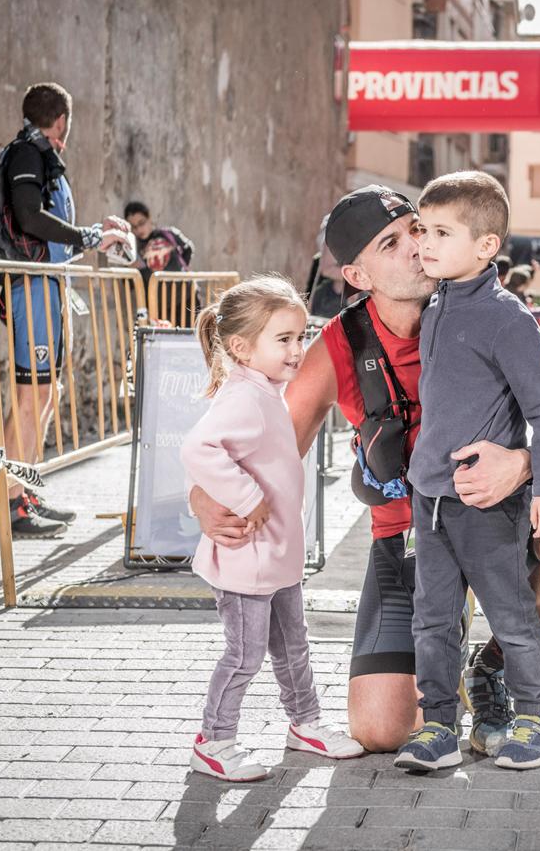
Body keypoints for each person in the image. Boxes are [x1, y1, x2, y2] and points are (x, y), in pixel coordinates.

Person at [189, 184, 540, 756]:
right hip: (410, 537)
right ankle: (443, 664)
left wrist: (518, 465)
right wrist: (203, 495)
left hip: (499, 518)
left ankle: (490, 670)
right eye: (391, 243)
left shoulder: (491, 313)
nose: (416, 247)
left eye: (419, 229)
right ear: (358, 275)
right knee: (382, 730)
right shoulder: (338, 346)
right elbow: (267, 447)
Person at [391, 171, 540, 772]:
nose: (425, 244)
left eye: (441, 232)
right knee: (433, 621)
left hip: (488, 505)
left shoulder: (507, 317)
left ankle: (535, 719)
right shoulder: (438, 302)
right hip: (431, 500)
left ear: (486, 246)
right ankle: (439, 726)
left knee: (511, 617)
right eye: (422, 230)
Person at [181, 276, 364, 782]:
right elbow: (198, 449)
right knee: (244, 656)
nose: (297, 350)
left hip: (276, 556)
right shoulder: (243, 397)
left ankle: (305, 723)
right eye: (283, 339)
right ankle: (213, 741)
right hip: (247, 560)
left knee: (293, 645)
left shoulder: (266, 392)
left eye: (300, 337)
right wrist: (246, 497)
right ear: (242, 347)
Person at [0, 82, 133, 539]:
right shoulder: (28, 153)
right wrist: (91, 238)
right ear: (61, 121)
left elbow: (47, 232)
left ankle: (24, 492)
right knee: (30, 398)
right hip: (30, 289)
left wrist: (94, 231)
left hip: (46, 287)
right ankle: (9, 506)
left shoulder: (37, 154)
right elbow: (30, 218)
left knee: (45, 396)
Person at [124, 201, 196, 290]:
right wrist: (134, 268)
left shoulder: (168, 234)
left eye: (141, 223)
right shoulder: (133, 250)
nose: (138, 229)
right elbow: (129, 285)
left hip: (187, 295)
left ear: (149, 218)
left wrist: (180, 272)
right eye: (134, 227)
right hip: (158, 301)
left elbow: (188, 248)